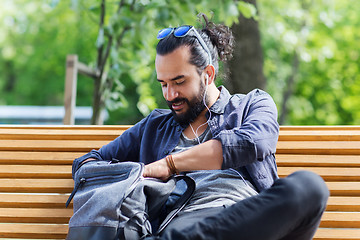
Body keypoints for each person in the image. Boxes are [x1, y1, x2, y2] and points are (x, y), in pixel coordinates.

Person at [72, 14, 329, 240]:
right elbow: (86, 163)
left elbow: (254, 142)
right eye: (163, 83)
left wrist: (170, 164)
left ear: (208, 74)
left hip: (252, 220)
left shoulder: (252, 104)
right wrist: (139, 175)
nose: (170, 94)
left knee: (310, 187)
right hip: (184, 218)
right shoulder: (154, 126)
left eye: (179, 81)